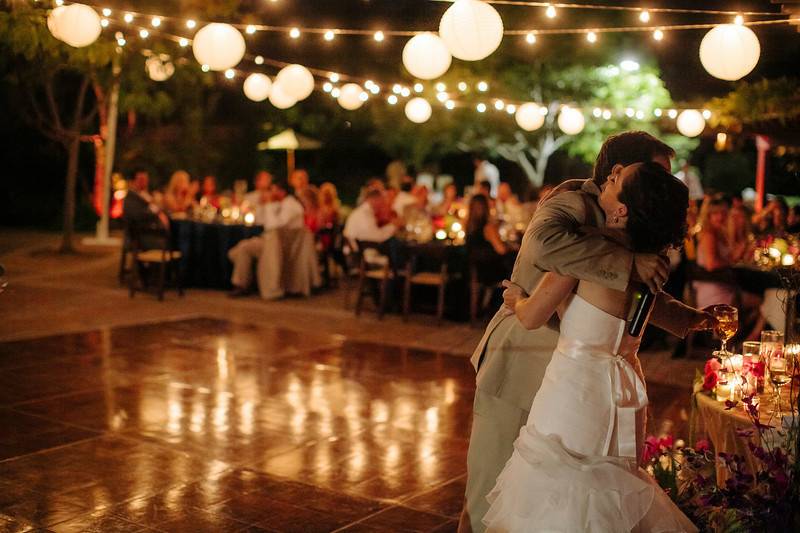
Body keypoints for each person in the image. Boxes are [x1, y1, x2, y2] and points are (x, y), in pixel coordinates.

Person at [458, 131, 714, 533]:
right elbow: (544, 246)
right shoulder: (571, 200)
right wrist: (630, 262)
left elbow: (632, 295)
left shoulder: (635, 229)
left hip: (574, 388)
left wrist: (692, 318)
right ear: (619, 172)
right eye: (654, 171)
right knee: (491, 492)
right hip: (522, 359)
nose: (661, 182)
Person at [227, 181, 304, 297]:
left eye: (272, 190)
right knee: (243, 247)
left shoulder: (291, 205)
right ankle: (242, 284)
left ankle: (247, 285)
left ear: (282, 192)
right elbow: (260, 221)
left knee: (244, 247)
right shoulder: (279, 204)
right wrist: (263, 206)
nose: (269, 193)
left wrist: (268, 204)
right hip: (270, 242)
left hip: (281, 246)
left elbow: (273, 226)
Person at [466, 195, 512, 286]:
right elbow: (501, 250)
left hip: (476, 269)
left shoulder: (468, 226)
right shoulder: (488, 227)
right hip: (490, 270)